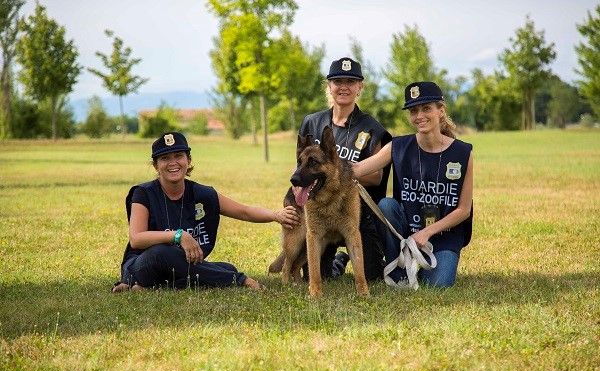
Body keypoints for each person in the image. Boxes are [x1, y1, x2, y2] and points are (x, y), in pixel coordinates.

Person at [112, 131, 300, 292]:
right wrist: (178, 236)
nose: (173, 163)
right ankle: (238, 279)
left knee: (226, 267)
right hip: (143, 265)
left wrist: (276, 215)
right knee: (163, 253)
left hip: (182, 266)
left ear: (188, 160)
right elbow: (136, 238)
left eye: (178, 155)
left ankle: (145, 288)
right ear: (155, 165)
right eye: (165, 158)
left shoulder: (202, 194)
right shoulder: (143, 194)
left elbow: (243, 211)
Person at [353, 81, 473, 288]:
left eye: (426, 108)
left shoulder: (463, 153)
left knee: (437, 285)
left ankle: (431, 261)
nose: (419, 116)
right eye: (413, 110)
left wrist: (427, 232)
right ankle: (398, 267)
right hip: (406, 232)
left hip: (444, 235)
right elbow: (356, 169)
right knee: (387, 205)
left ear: (441, 110)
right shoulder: (398, 146)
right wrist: (318, 166)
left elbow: (463, 210)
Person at [297, 57, 392, 281]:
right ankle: (338, 262)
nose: (344, 87)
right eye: (337, 81)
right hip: (321, 210)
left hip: (358, 214)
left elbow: (377, 176)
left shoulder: (371, 127)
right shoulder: (312, 122)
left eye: (351, 81)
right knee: (317, 274)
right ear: (329, 86)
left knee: (372, 277)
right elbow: (301, 168)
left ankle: (349, 255)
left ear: (360, 87)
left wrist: (337, 175)